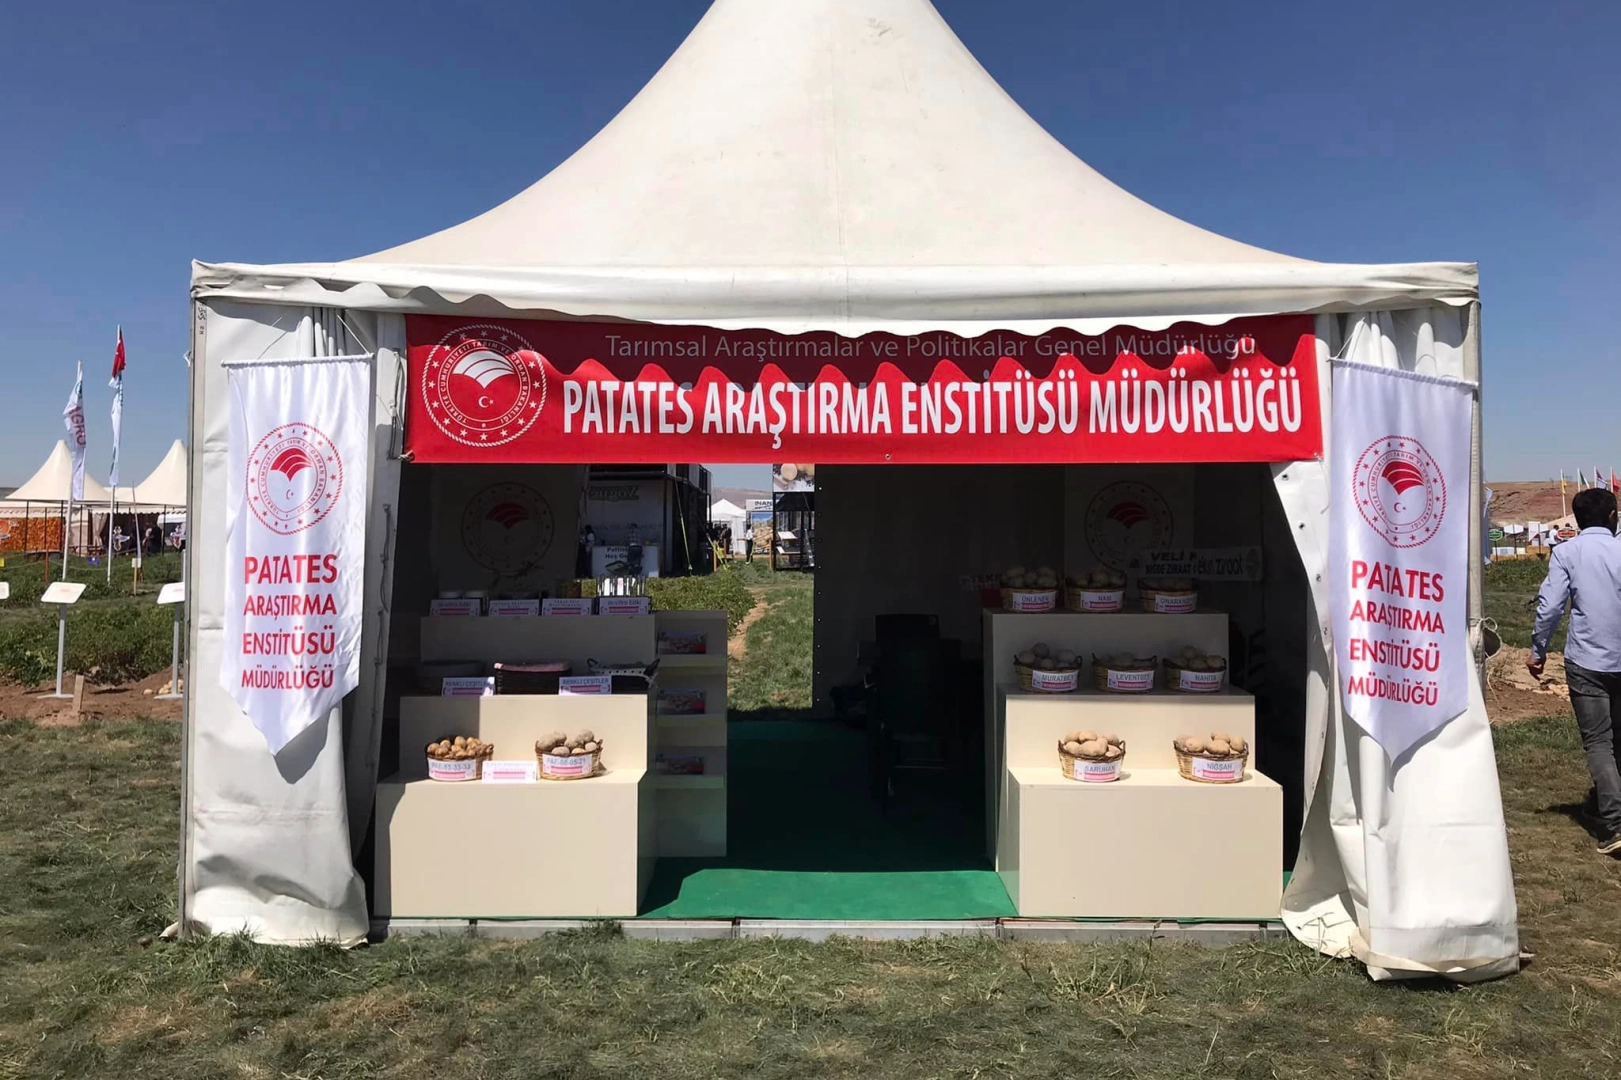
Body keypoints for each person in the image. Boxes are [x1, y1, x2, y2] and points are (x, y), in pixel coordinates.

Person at [1529, 487, 1621, 854]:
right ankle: (1603, 802)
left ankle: (1614, 822)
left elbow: (1551, 607)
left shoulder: (1567, 553)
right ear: (1613, 516)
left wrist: (1538, 650)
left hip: (1587, 660)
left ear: (1578, 520)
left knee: (1598, 741)